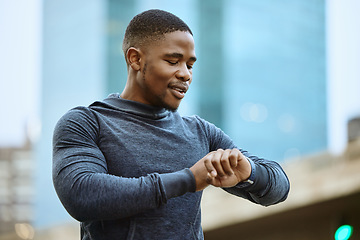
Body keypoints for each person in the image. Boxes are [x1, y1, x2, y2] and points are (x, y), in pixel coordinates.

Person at [52, 9, 290, 240]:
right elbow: (81, 194)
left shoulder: (200, 132)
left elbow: (279, 188)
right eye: (173, 61)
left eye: (190, 65)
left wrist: (249, 172)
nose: (185, 74)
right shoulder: (86, 123)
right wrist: (189, 179)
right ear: (135, 58)